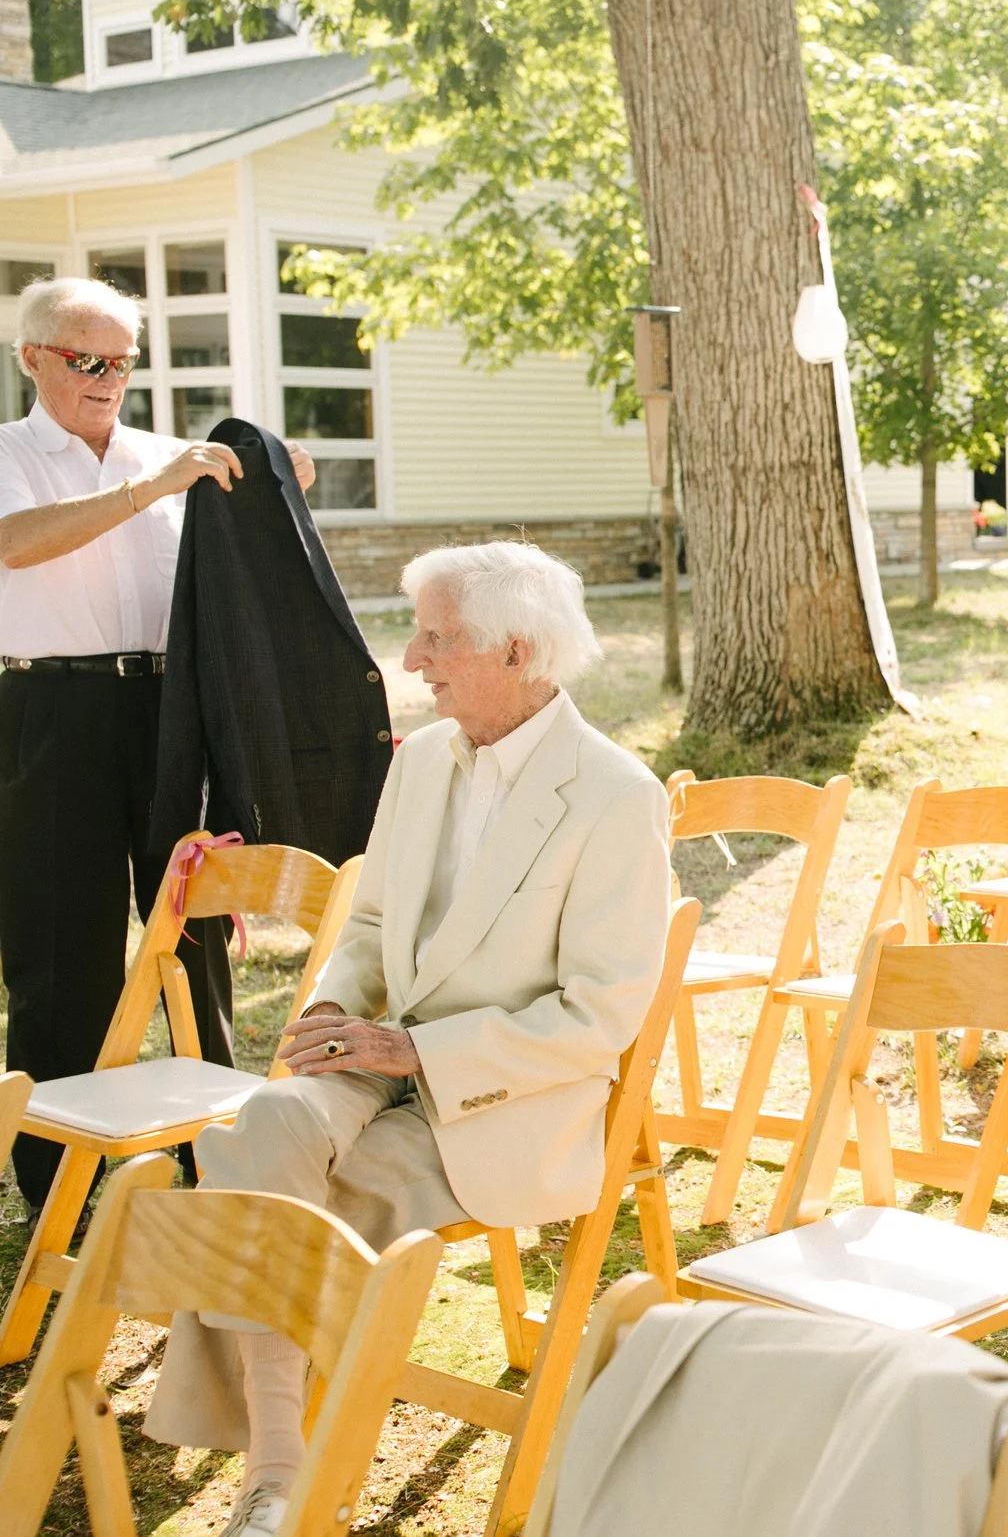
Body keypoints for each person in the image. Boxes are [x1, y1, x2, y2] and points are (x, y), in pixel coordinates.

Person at [143, 541, 670, 1537]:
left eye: (438, 636)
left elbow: (600, 1015)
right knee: (266, 1122)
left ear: (517, 649)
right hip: (380, 1055)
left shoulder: (615, 794)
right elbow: (374, 926)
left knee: (287, 1192)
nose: (413, 657)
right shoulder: (424, 757)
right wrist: (338, 1015)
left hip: (506, 1095)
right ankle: (284, 1463)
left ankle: (278, 1471)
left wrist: (419, 1052)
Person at [0, 277, 316, 1208]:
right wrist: (156, 485)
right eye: (84, 359)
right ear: (32, 357)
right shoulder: (14, 453)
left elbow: (241, 570)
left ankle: (215, 1153)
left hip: (170, 709)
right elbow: (17, 544)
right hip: (50, 711)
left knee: (195, 923)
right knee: (63, 949)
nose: (107, 379)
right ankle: (61, 1181)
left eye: (123, 361)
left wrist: (277, 492)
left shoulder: (169, 457)